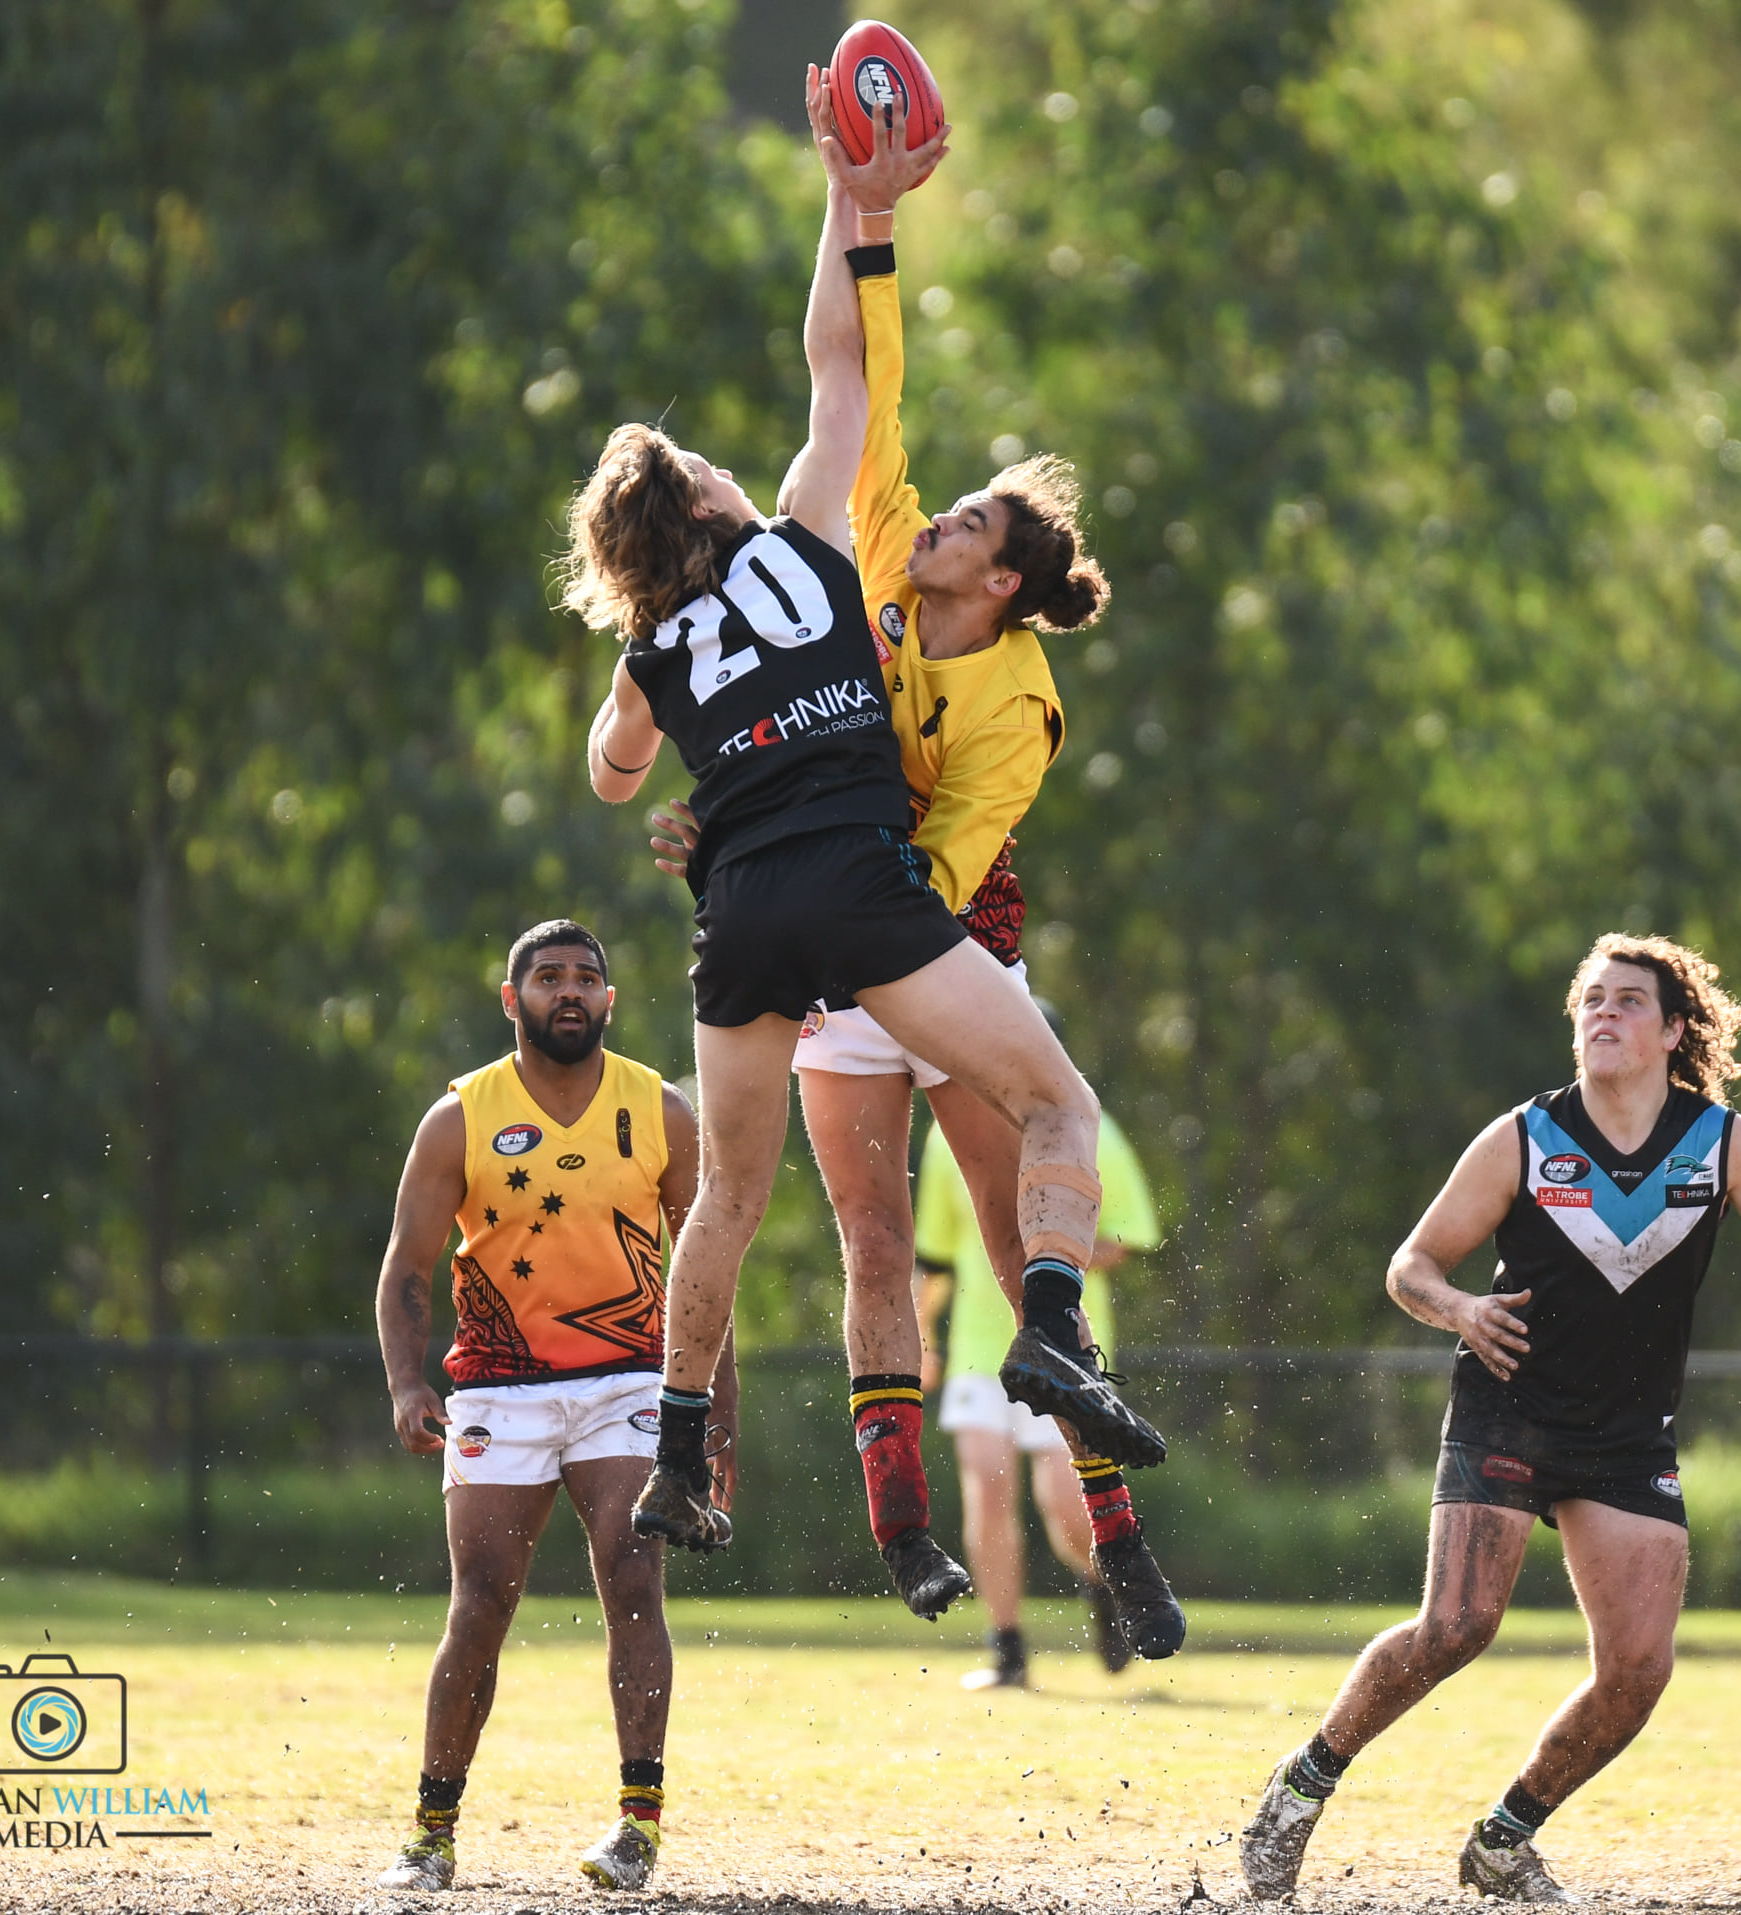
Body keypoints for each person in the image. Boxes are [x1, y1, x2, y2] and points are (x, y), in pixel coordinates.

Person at [565, 109, 1166, 1569]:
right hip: (860, 887)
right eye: (712, 468)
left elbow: (611, 776)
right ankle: (1051, 1328)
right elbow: (841, 369)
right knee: (1058, 1105)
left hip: (738, 915)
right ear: (714, 501)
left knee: (727, 1195)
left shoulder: (652, 648)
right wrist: (854, 201)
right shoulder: (807, 538)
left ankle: (678, 1452)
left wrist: (649, 694)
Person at [1240, 934, 1741, 1903]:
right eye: (1590, 1000)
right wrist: (1459, 1309)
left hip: (1626, 1435)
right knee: (1455, 1628)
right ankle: (1299, 1787)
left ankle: (1502, 1842)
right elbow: (1411, 1265)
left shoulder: (1720, 1142)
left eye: (1626, 1000)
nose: (1603, 1013)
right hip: (1508, 1409)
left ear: (1673, 1030)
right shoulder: (1525, 1137)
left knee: (1637, 1672)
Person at [373, 920, 729, 1894]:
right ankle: (431, 1833)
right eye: (547, 977)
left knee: (633, 1575)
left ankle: (637, 1826)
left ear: (609, 999)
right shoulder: (459, 1117)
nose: (567, 990)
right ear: (511, 998)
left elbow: (705, 1272)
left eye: (584, 977)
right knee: (481, 1601)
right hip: (499, 1388)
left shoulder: (660, 1110)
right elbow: (405, 1267)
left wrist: (714, 1416)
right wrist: (407, 1382)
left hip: (631, 1384)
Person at [914, 1029, 1165, 1688]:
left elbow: (1124, 1238)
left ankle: (1103, 1582)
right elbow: (933, 1255)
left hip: (1061, 1344)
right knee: (986, 1486)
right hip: (977, 1348)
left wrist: (1048, 1257)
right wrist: (921, 1334)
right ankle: (1007, 1649)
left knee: (1066, 1505)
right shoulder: (946, 1133)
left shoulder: (1088, 1125)